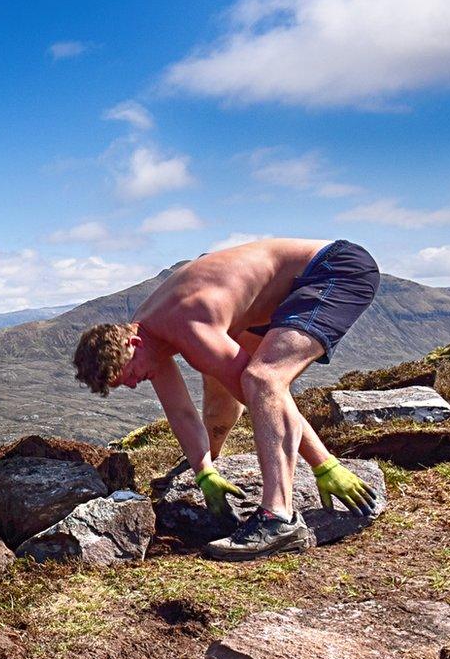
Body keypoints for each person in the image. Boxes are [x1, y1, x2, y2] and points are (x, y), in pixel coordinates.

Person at [71, 238, 383, 560]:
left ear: (132, 343)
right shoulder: (148, 337)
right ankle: (218, 460)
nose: (134, 384)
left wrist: (324, 465)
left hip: (334, 270)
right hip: (278, 296)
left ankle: (279, 518)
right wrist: (204, 472)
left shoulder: (185, 323)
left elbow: (262, 395)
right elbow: (181, 412)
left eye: (130, 374)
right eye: (126, 384)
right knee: (221, 378)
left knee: (261, 379)